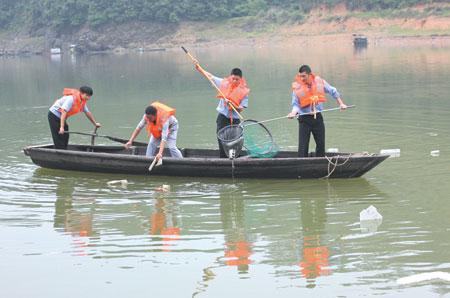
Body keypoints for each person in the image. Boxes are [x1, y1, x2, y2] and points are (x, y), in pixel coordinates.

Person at [287, 65, 347, 157]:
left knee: (321, 144)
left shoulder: (319, 82)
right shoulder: (297, 88)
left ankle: (319, 163)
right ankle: (302, 165)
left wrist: (341, 104)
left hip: (317, 118)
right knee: (303, 147)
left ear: (310, 75)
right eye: (300, 76)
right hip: (304, 119)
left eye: (304, 76)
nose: (302, 78)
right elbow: (296, 105)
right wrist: (293, 113)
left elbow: (332, 91)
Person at [194, 65, 250, 158]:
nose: (235, 81)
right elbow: (210, 76)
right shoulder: (224, 83)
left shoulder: (244, 91)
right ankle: (223, 159)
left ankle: (234, 158)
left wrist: (232, 105)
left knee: (235, 140)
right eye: (233, 79)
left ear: (241, 79)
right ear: (230, 77)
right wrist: (199, 68)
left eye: (237, 79)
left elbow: (240, 109)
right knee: (221, 139)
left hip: (235, 120)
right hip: (222, 118)